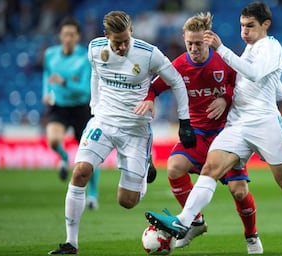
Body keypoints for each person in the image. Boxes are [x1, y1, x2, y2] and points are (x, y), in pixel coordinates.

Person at [145, 2, 282, 254]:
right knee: (211, 168)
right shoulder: (249, 49)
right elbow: (275, 87)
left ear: (265, 25)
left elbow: (256, 74)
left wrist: (222, 49)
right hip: (238, 123)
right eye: (241, 26)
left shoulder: (271, 47)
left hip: (264, 124)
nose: (244, 31)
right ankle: (184, 222)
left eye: (250, 26)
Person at [48, 11, 195, 255]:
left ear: (132, 34)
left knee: (127, 201)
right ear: (106, 36)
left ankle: (144, 165)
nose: (123, 46)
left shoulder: (149, 54)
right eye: (117, 42)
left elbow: (177, 81)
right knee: (81, 171)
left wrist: (184, 121)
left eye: (127, 40)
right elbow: (96, 73)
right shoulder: (95, 48)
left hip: (135, 131)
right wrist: (94, 107)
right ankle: (70, 243)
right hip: (103, 123)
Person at [144, 12, 263, 254]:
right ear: (184, 40)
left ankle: (251, 236)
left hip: (226, 133)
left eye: (199, 43)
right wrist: (149, 100)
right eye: (190, 44)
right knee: (174, 166)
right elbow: (154, 87)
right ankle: (195, 221)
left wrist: (225, 97)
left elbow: (243, 85)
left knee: (239, 191)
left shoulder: (223, 61)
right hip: (197, 134)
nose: (195, 48)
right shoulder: (178, 66)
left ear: (207, 40)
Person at [42, 17, 101, 209]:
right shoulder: (50, 55)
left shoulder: (84, 58)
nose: (68, 38)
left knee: (89, 154)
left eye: (72, 35)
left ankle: (92, 194)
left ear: (78, 37)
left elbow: (85, 90)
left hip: (80, 109)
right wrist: (46, 93)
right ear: (60, 35)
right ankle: (65, 158)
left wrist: (64, 82)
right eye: (65, 34)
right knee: (53, 141)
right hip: (59, 106)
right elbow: (47, 75)